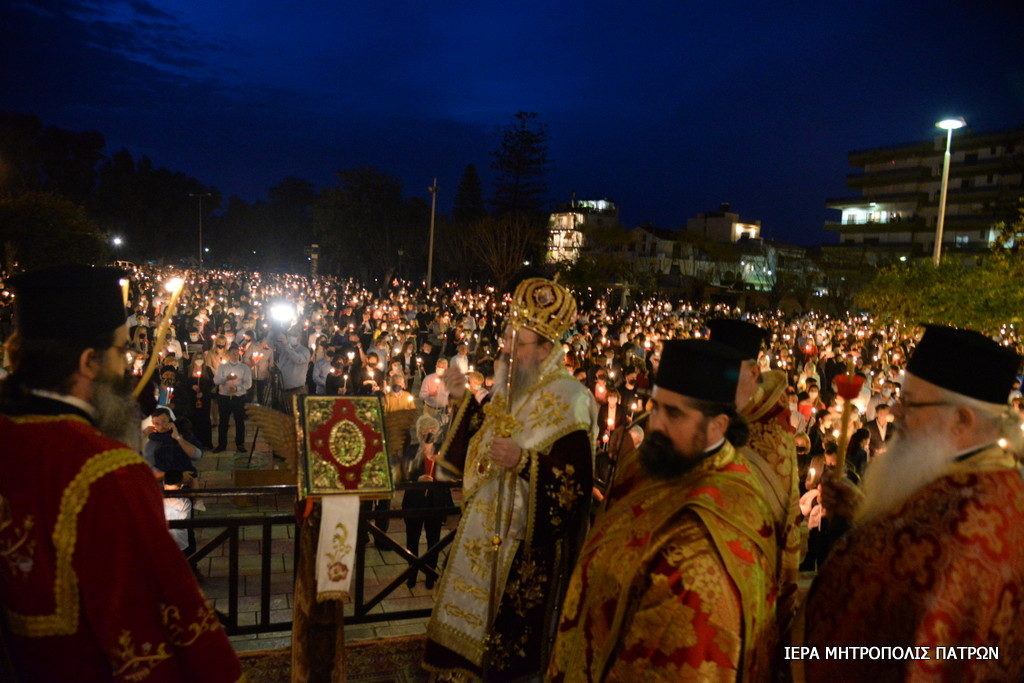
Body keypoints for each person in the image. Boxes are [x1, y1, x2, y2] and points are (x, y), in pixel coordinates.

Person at [0, 265, 240, 681]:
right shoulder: (103, 470)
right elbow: (163, 615)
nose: (127, 364)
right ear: (89, 362)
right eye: (121, 351)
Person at [798, 325, 1024, 682]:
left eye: (912, 403)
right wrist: (858, 515)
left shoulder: (965, 521)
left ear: (962, 420)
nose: (897, 413)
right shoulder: (981, 478)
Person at [548, 340, 778, 681]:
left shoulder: (703, 544)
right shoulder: (665, 468)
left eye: (674, 414)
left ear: (717, 426)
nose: (655, 425)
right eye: (655, 407)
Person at [424, 278, 597, 681]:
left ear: (546, 349)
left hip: (524, 544)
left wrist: (524, 462)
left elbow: (576, 488)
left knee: (506, 654)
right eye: (507, 338)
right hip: (482, 529)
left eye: (518, 343)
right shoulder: (509, 388)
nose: (506, 349)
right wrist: (459, 400)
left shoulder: (572, 400)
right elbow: (485, 434)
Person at [707, 318, 801, 640]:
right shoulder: (701, 412)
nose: (718, 380)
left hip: (751, 574)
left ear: (752, 373)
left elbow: (779, 521)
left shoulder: (773, 432)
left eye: (728, 371)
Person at [399, 415, 452, 590]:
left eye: (432, 430)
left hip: (435, 502)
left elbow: (450, 475)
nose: (428, 433)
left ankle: (430, 575)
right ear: (419, 432)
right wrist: (417, 478)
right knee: (412, 539)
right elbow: (404, 474)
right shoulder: (412, 450)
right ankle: (412, 574)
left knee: (434, 541)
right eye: (425, 430)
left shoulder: (442, 451)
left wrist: (439, 474)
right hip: (414, 502)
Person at [212, 343, 252, 453]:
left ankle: (240, 444)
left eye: (236, 353)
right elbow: (216, 381)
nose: (235, 355)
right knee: (223, 422)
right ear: (228, 354)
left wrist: (238, 388)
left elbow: (248, 383)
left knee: (239, 421)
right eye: (232, 353)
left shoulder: (244, 367)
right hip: (224, 398)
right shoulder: (222, 367)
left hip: (238, 398)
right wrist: (226, 378)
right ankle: (222, 444)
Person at [143, 406, 204, 477]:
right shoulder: (153, 441)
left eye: (164, 421)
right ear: (153, 424)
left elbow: (197, 456)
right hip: (167, 479)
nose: (161, 426)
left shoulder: (182, 432)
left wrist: (178, 437)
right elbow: (149, 468)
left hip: (187, 474)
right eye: (157, 423)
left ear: (170, 420)